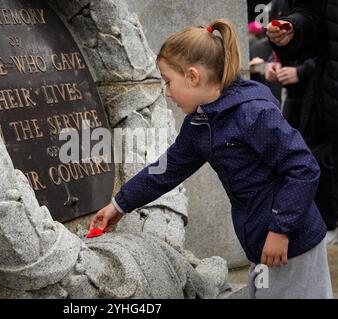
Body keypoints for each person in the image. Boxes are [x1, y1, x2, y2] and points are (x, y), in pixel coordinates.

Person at [90, 19, 333, 299]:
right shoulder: (200, 123)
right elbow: (167, 168)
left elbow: (303, 169)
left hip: (292, 245)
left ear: (193, 76)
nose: (167, 93)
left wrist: (281, 230)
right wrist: (120, 203)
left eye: (169, 82)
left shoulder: (253, 114)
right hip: (261, 243)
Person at [266, 0, 338, 244]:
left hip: (311, 93)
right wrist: (292, 31)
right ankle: (327, 224)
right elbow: (312, 22)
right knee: (309, 158)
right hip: (316, 100)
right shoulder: (277, 5)